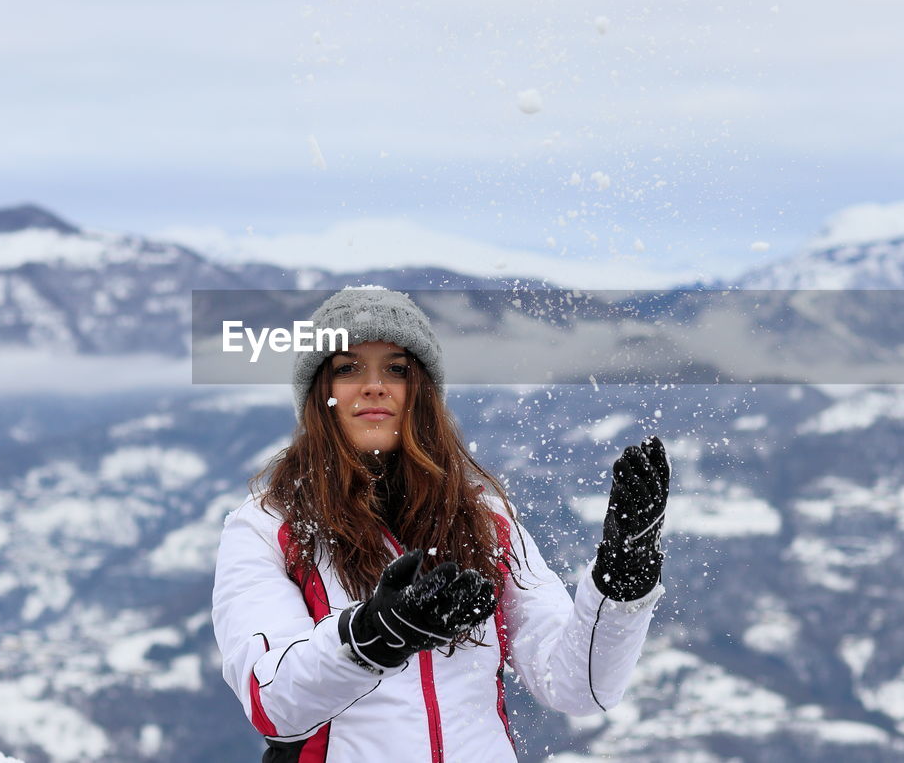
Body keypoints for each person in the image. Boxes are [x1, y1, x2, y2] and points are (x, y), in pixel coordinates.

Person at [212, 286, 670, 762]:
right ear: (317, 394)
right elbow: (274, 704)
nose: (374, 385)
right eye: (348, 368)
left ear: (422, 393)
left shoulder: (486, 520)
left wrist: (624, 578)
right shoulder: (268, 528)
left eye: (396, 368)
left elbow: (576, 688)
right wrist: (375, 634)